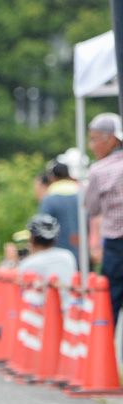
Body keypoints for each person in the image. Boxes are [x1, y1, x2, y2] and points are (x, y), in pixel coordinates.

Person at [84, 112, 123, 323]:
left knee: (109, 307)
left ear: (111, 138)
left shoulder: (100, 170)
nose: (91, 145)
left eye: (94, 138)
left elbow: (91, 207)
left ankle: (106, 355)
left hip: (116, 247)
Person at [16, 214, 76, 308]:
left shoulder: (28, 263)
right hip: (69, 311)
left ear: (32, 239)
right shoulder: (68, 256)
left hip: (41, 315)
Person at [39, 160, 78, 257]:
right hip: (79, 248)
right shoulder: (80, 195)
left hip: (57, 249)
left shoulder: (49, 199)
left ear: (52, 177)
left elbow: (43, 225)